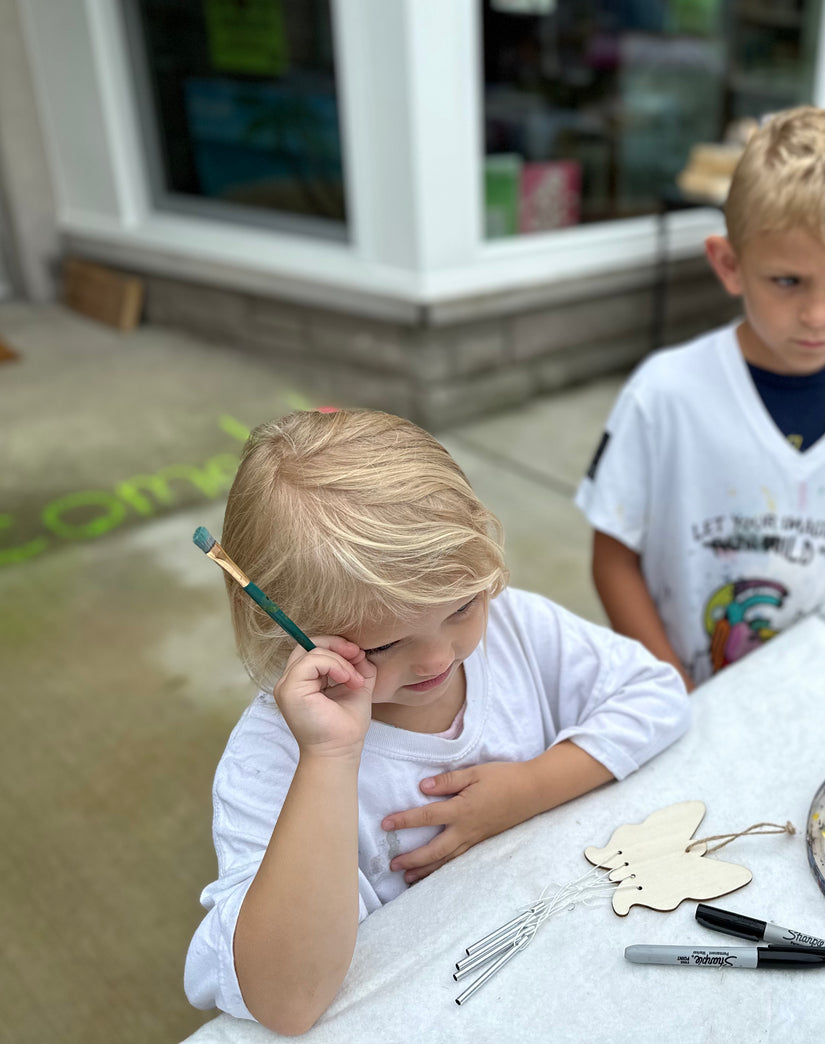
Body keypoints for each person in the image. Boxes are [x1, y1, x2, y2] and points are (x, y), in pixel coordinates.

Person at [184, 409, 690, 1034]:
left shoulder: (515, 628)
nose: (438, 657)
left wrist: (527, 789)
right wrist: (331, 758)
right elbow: (287, 999)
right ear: (281, 628)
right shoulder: (274, 759)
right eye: (382, 647)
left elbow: (658, 692)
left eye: (461, 607)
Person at [576, 107, 825, 688]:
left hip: (810, 695)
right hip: (688, 701)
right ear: (730, 265)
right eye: (787, 281)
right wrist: (675, 693)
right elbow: (613, 559)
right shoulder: (664, 396)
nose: (818, 315)